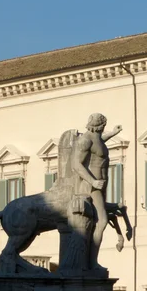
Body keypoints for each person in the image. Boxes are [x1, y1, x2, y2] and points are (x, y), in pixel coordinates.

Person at [72, 113, 122, 271]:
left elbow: (99, 144)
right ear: (100, 125)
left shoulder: (97, 138)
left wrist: (113, 134)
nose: (103, 129)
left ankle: (91, 261)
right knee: (101, 221)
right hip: (92, 186)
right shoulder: (85, 140)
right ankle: (92, 263)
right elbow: (76, 164)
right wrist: (92, 181)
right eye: (103, 127)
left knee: (99, 222)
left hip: (101, 185)